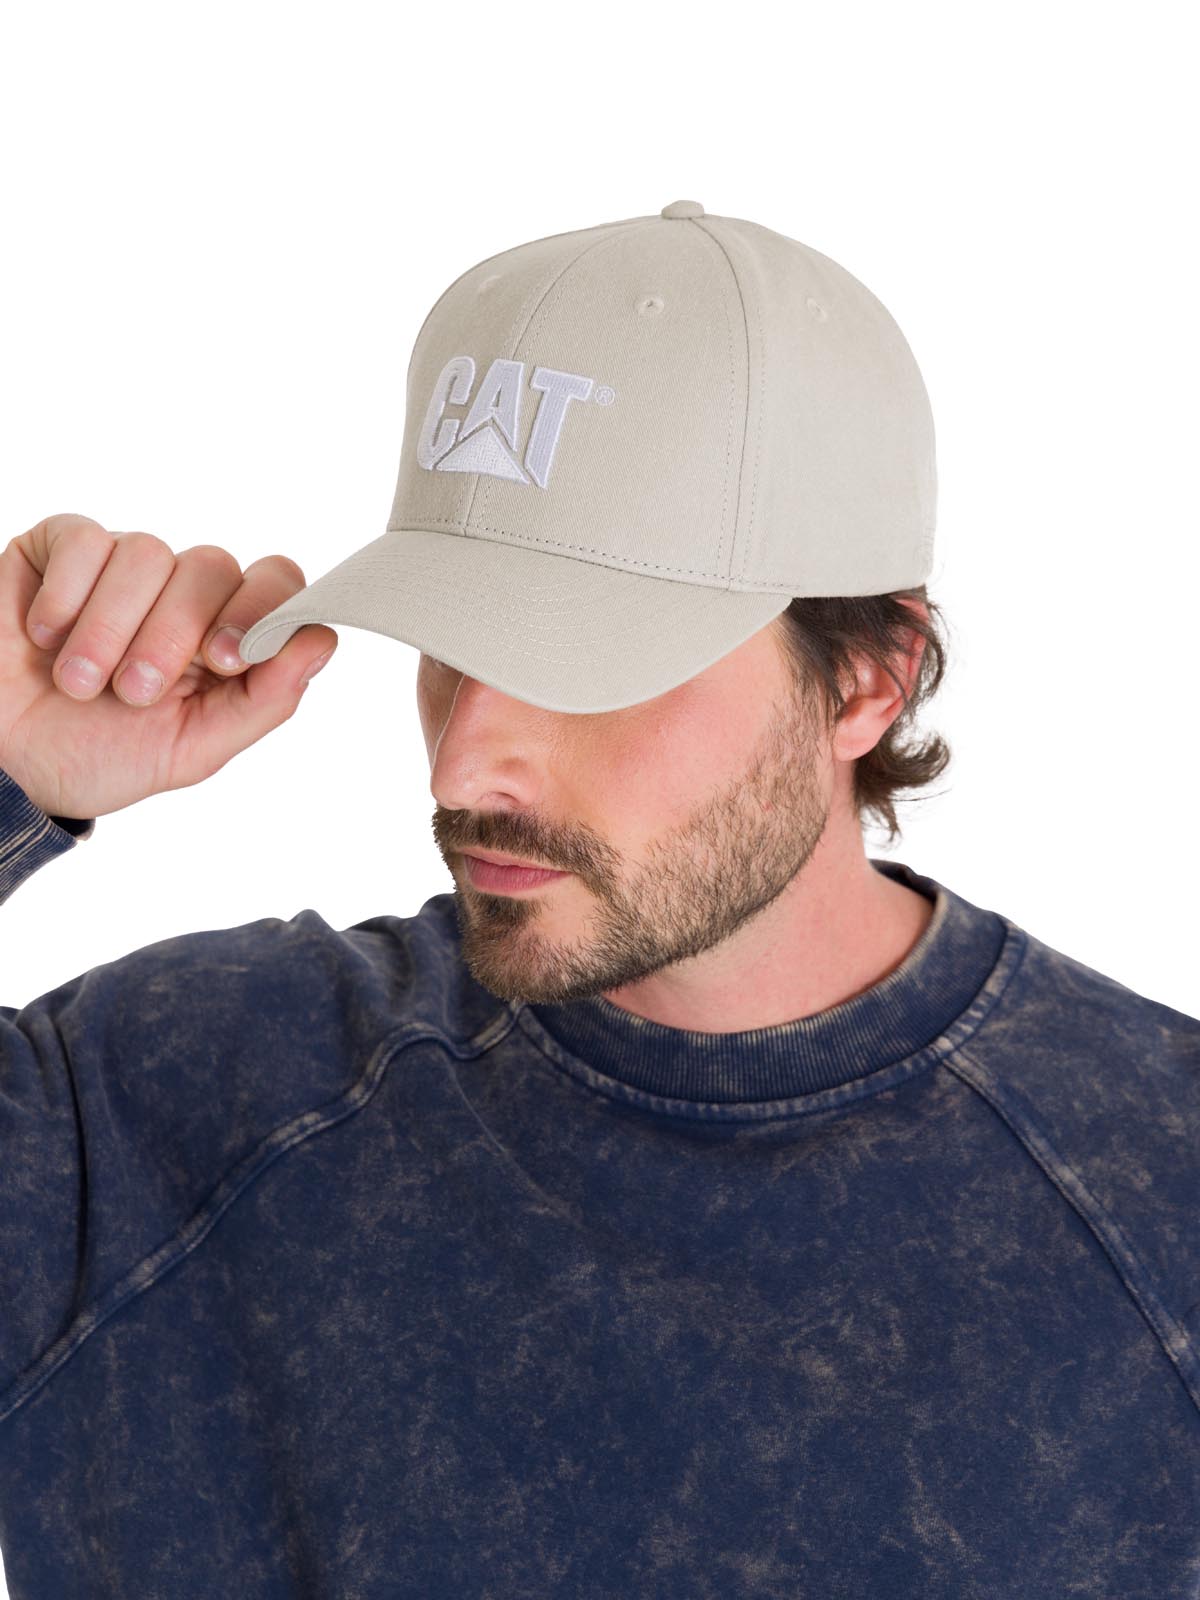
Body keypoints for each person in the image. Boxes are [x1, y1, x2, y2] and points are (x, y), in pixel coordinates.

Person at [0, 201, 1196, 1599]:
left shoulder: (1159, 1197)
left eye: (584, 660)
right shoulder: (179, 1105)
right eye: (447, 646)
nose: (463, 766)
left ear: (866, 680)